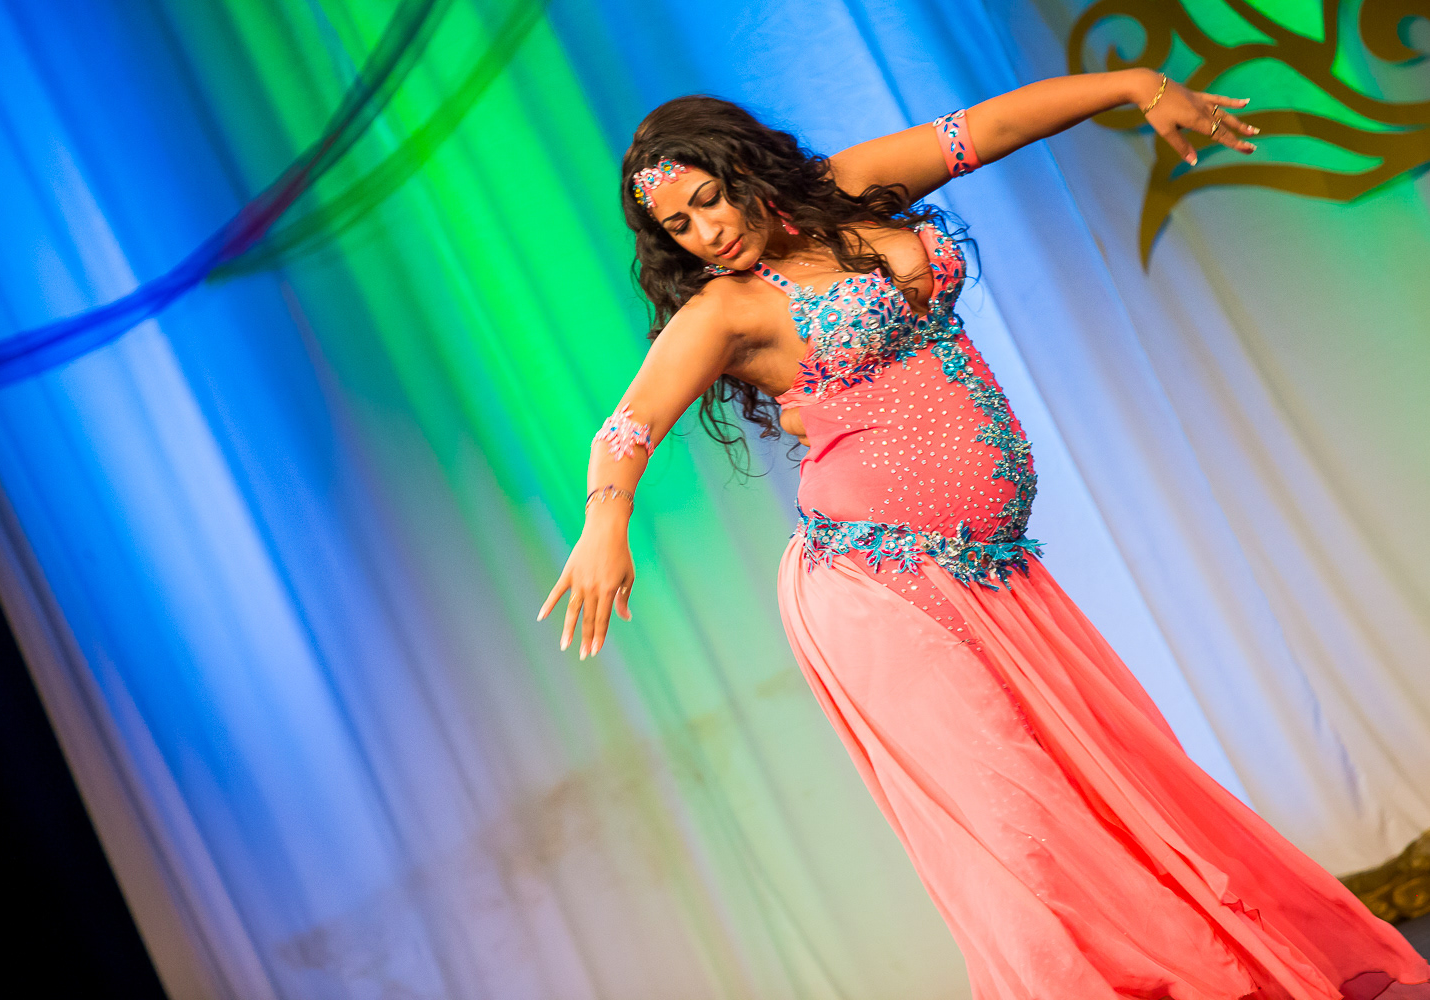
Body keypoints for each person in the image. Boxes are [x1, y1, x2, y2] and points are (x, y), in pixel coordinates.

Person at [537, 67, 1429, 1000]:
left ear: (747, 168)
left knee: (1109, 790)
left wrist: (1133, 84)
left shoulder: (846, 189)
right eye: (680, 226)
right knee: (1019, 828)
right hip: (877, 587)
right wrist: (605, 524)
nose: (707, 232)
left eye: (710, 200)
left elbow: (986, 129)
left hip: (991, 576)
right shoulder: (724, 308)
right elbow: (626, 429)